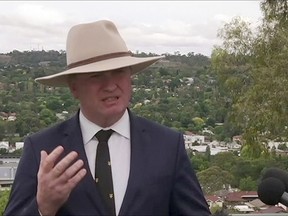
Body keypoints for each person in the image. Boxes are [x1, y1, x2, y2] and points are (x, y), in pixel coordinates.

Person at [4, 20, 211, 216]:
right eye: (96, 75)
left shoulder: (167, 145)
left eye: (119, 72)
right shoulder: (43, 150)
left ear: (131, 77)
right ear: (74, 87)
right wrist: (43, 208)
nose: (111, 85)